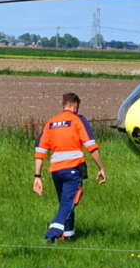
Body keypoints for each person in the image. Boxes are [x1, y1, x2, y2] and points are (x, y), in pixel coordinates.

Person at [33, 93, 106, 244]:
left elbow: (40, 151)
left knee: (67, 203)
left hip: (56, 171)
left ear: (63, 105)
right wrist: (101, 168)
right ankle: (52, 233)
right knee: (68, 203)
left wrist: (37, 176)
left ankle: (68, 236)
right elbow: (91, 146)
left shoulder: (51, 123)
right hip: (73, 170)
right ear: (75, 106)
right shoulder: (78, 120)